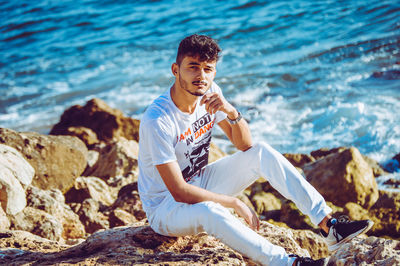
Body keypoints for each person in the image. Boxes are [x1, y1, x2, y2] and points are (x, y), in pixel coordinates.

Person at [137, 34, 373, 266]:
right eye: (193, 67)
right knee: (210, 210)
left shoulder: (209, 92)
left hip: (200, 182)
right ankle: (287, 263)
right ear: (175, 70)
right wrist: (232, 202)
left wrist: (231, 113)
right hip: (166, 208)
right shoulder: (158, 119)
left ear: (215, 72)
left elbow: (245, 145)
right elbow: (179, 191)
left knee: (261, 151)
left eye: (208, 69)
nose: (201, 76)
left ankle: (329, 226)